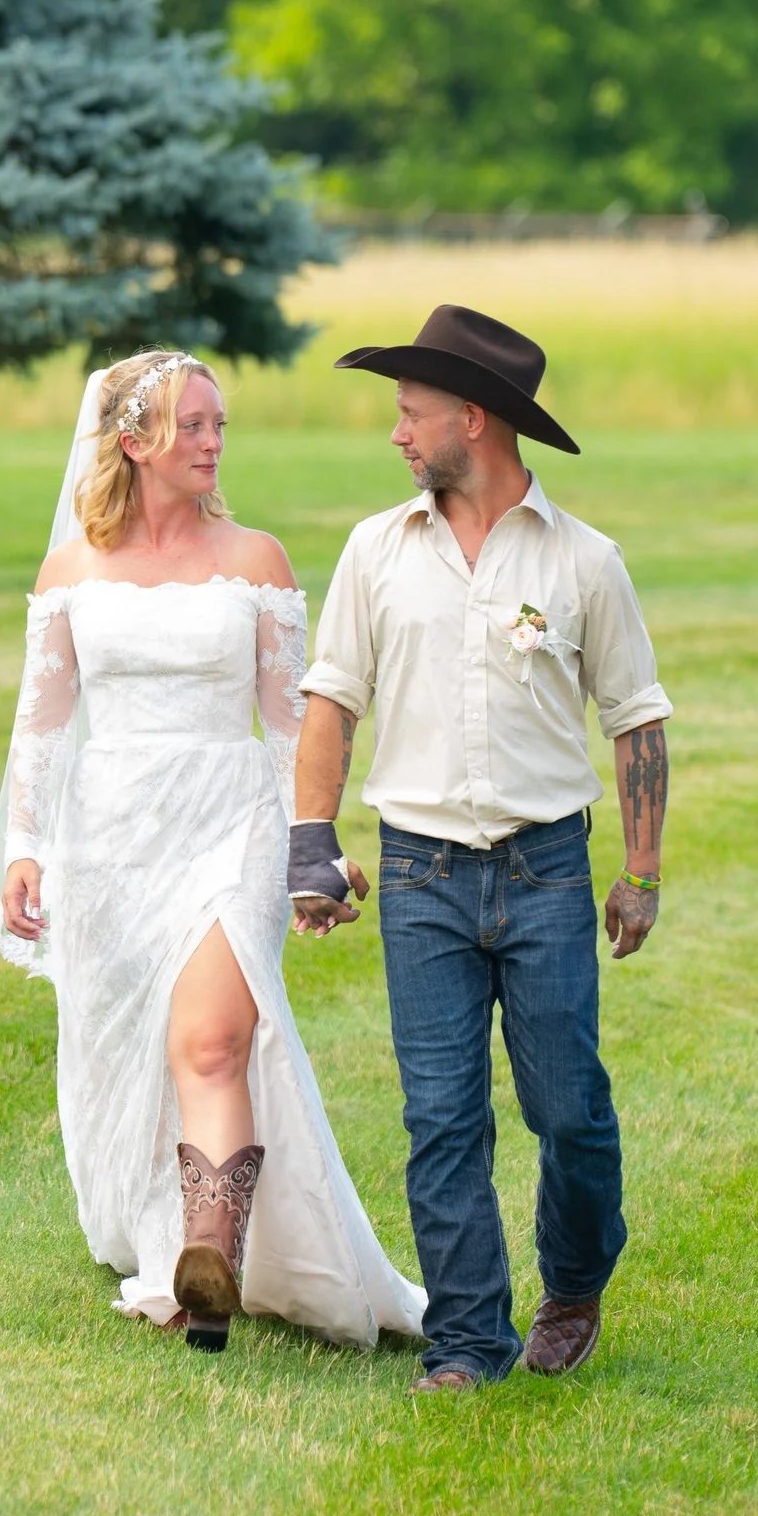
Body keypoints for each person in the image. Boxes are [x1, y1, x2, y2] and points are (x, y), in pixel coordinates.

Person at [0, 349, 428, 1353]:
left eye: (219, 425)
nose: (213, 443)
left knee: (214, 1043)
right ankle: (179, 1241)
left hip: (230, 825)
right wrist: (25, 846)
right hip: (111, 836)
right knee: (128, 1057)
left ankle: (208, 1264)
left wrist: (311, 844)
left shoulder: (257, 562)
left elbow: (290, 726)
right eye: (191, 425)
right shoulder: (71, 573)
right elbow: (43, 722)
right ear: (133, 441)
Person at [289, 305, 672, 1394]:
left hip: (546, 870)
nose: (398, 434)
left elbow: (635, 718)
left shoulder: (584, 561)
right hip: (417, 875)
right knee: (441, 1117)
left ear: (474, 418)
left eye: (411, 414)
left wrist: (638, 874)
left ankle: (577, 1279)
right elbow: (331, 699)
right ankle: (467, 1342)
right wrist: (310, 842)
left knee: (567, 1110)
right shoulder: (376, 549)